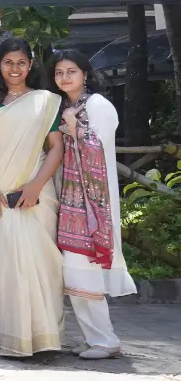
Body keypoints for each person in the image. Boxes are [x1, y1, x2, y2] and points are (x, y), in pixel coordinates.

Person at [0, 38, 64, 358]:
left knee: (42, 262)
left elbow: (56, 148)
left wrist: (36, 185)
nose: (14, 68)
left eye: (21, 62)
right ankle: (15, 339)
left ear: (30, 65)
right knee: (10, 263)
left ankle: (46, 337)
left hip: (37, 191)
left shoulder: (45, 101)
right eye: (8, 62)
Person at [53, 50, 136, 360]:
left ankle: (105, 340)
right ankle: (95, 338)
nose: (65, 77)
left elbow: (98, 150)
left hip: (92, 205)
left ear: (84, 73)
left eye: (71, 71)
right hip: (71, 199)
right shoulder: (67, 106)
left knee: (84, 268)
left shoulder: (99, 105)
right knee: (74, 271)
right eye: (59, 72)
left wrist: (74, 127)